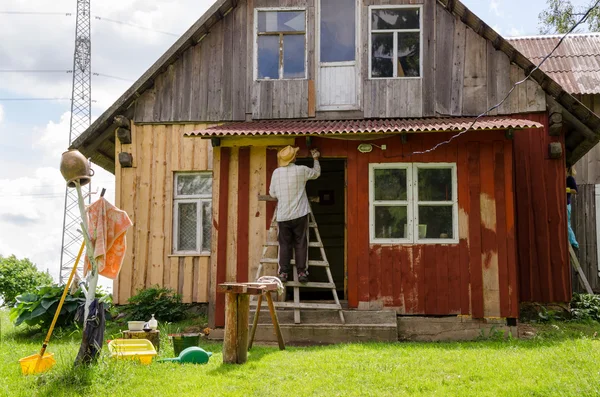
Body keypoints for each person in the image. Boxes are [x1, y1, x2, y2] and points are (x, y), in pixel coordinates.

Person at [269, 146, 321, 284]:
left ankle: (284, 273)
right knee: (301, 243)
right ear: (294, 158)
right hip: (300, 214)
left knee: (284, 244)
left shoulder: (276, 173)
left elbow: (272, 194)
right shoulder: (302, 170)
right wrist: (315, 158)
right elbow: (316, 173)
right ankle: (302, 272)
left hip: (283, 215)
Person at [566, 165, 579, 250]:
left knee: (567, 224)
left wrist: (566, 190)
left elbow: (575, 191)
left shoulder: (570, 179)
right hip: (564, 205)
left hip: (566, 205)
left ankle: (574, 243)